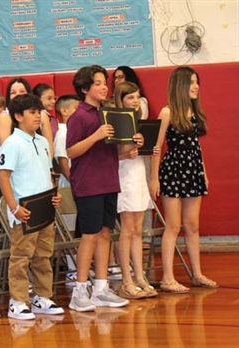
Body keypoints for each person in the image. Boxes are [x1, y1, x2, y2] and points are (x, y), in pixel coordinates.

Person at [66, 65, 141, 312]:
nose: (103, 87)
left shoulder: (108, 113)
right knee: (89, 234)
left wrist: (130, 146)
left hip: (109, 180)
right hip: (88, 184)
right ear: (85, 88)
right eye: (97, 83)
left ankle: (100, 288)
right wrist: (96, 135)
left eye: (104, 82)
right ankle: (79, 290)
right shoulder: (79, 116)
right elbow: (71, 151)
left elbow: (113, 152)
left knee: (106, 233)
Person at [149, 66, 217, 292]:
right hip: (173, 172)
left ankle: (196, 274)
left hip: (193, 171)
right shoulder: (167, 112)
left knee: (192, 225)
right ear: (180, 86)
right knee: (173, 225)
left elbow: (196, 146)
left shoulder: (194, 112)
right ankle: (167, 278)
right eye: (191, 82)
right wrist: (154, 179)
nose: (196, 86)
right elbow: (156, 147)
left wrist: (203, 172)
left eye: (197, 82)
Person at [0, 94, 65, 320]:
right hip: (24, 210)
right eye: (32, 112)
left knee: (43, 254)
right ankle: (17, 301)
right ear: (18, 116)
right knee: (21, 257)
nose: (38, 116)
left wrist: (54, 195)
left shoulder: (43, 142)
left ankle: (42, 297)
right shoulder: (12, 143)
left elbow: (47, 173)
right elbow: (3, 177)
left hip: (45, 207)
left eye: (39, 112)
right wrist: (14, 207)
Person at [113, 81, 159, 299]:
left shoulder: (140, 122)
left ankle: (140, 276)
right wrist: (126, 153)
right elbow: (112, 154)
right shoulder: (115, 122)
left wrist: (149, 147)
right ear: (120, 100)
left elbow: (145, 151)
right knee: (127, 229)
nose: (134, 101)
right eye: (130, 97)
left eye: (137, 97)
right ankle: (126, 280)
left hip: (138, 174)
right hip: (123, 176)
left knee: (139, 230)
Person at [52, 95, 80, 284]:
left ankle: (80, 265)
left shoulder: (77, 130)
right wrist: (76, 182)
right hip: (69, 186)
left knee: (79, 228)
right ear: (64, 111)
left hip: (80, 185)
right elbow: (63, 163)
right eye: (76, 108)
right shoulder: (63, 133)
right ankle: (72, 267)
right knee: (69, 228)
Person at [0, 78, 54, 157]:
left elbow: (49, 146)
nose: (18, 95)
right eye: (13, 92)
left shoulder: (42, 115)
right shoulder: (4, 117)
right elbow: (7, 149)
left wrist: (47, 166)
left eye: (22, 91)